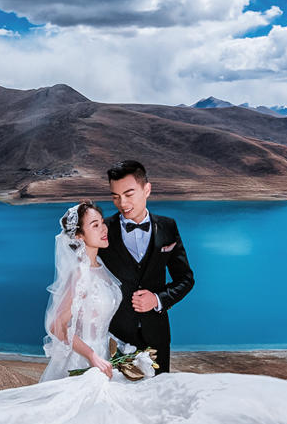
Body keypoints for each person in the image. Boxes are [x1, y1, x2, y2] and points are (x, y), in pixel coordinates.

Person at [100, 159, 194, 374]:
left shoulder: (168, 227)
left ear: (147, 189)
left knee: (158, 399)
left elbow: (186, 279)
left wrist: (158, 299)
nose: (122, 203)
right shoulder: (103, 229)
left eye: (129, 194)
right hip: (115, 337)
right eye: (115, 196)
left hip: (157, 335)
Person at [39, 200, 121, 382]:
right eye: (95, 225)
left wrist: (119, 347)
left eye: (102, 222)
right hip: (82, 361)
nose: (104, 229)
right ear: (79, 236)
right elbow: (56, 325)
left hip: (105, 356)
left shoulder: (101, 266)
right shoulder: (79, 274)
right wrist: (91, 355)